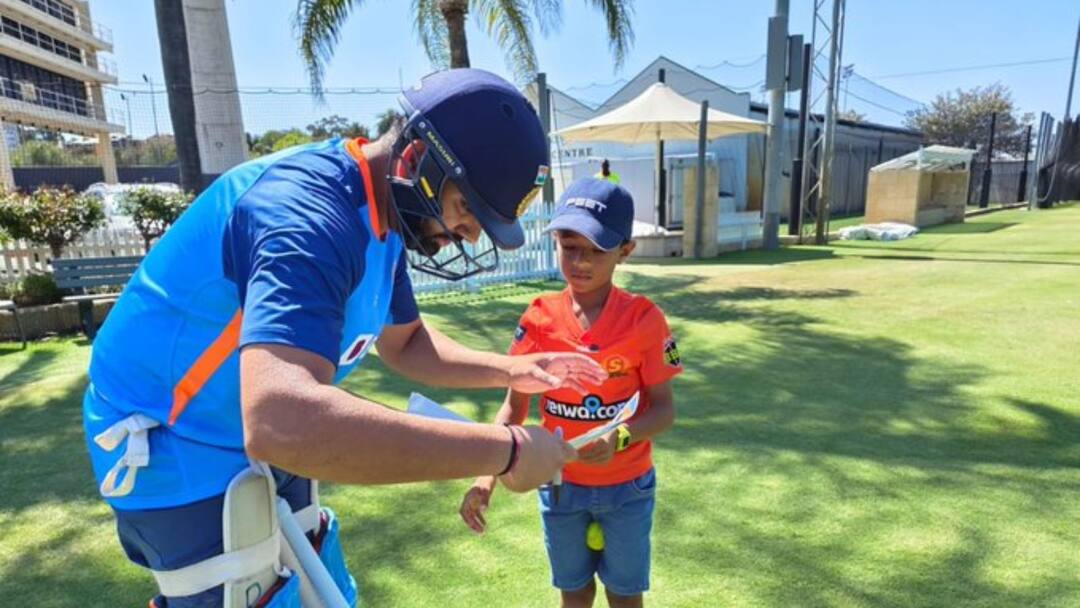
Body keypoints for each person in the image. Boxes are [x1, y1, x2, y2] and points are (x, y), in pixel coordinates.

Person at [82, 69, 607, 607]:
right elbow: (281, 420)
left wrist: (509, 369)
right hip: (173, 438)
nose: (469, 234)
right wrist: (507, 450)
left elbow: (405, 342)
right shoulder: (306, 218)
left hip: (238, 430)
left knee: (324, 588)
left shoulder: (379, 213)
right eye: (468, 208)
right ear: (415, 160)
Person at [459, 178, 683, 608]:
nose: (579, 262)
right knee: (574, 594)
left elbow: (664, 412)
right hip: (560, 486)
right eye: (568, 246)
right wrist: (484, 478)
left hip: (627, 488)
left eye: (596, 250)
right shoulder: (540, 318)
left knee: (624, 597)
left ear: (625, 251)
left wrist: (617, 439)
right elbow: (514, 406)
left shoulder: (645, 320)